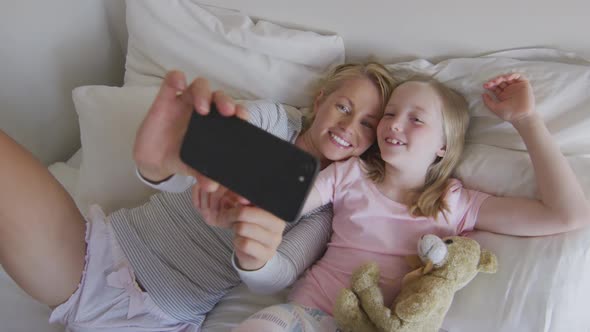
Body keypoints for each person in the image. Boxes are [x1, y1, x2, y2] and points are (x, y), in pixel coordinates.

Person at [0, 62, 395, 330]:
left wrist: (254, 255)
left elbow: (278, 275)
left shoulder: (328, 208)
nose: (348, 126)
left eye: (366, 124)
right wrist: (161, 167)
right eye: (343, 106)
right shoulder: (274, 120)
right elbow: (198, 163)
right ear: (321, 98)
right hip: (97, 256)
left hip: (161, 317)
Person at [225, 73, 590, 331]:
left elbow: (567, 214)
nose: (394, 124)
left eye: (415, 119)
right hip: (312, 314)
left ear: (443, 146)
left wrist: (525, 119)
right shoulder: (350, 174)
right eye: (389, 114)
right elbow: (283, 202)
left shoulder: (454, 203)